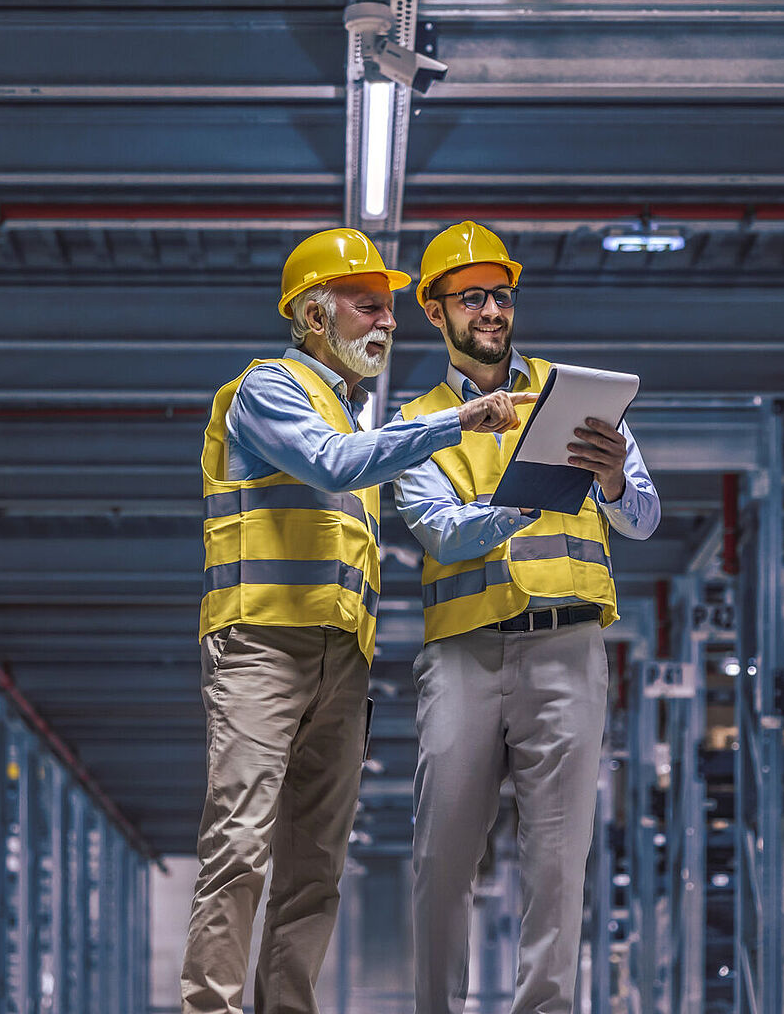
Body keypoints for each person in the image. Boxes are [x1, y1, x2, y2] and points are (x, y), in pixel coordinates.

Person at [182, 228, 533, 1014]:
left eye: (389, 310)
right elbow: (336, 464)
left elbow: (416, 514)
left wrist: (524, 501)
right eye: (365, 305)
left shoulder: (355, 423)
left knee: (316, 865)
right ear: (313, 315)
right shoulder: (269, 390)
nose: (385, 321)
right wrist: (458, 422)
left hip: (342, 664)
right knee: (239, 845)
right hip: (261, 651)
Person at [394, 221, 661, 1014]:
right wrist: (529, 491)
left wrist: (612, 481)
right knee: (442, 857)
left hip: (569, 649)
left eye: (501, 296)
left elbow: (642, 520)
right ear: (434, 312)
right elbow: (441, 529)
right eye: (470, 297)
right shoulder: (419, 426)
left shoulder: (577, 401)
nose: (491, 311)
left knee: (557, 860)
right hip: (463, 659)